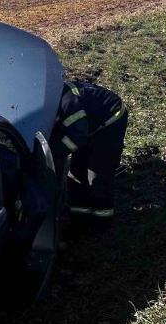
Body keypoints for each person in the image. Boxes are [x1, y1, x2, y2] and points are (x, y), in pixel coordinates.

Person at [51, 81, 129, 223]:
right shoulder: (51, 98)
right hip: (86, 125)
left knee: (98, 173)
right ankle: (79, 217)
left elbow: (76, 137)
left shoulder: (68, 104)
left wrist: (54, 153)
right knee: (76, 170)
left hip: (111, 120)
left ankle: (102, 221)